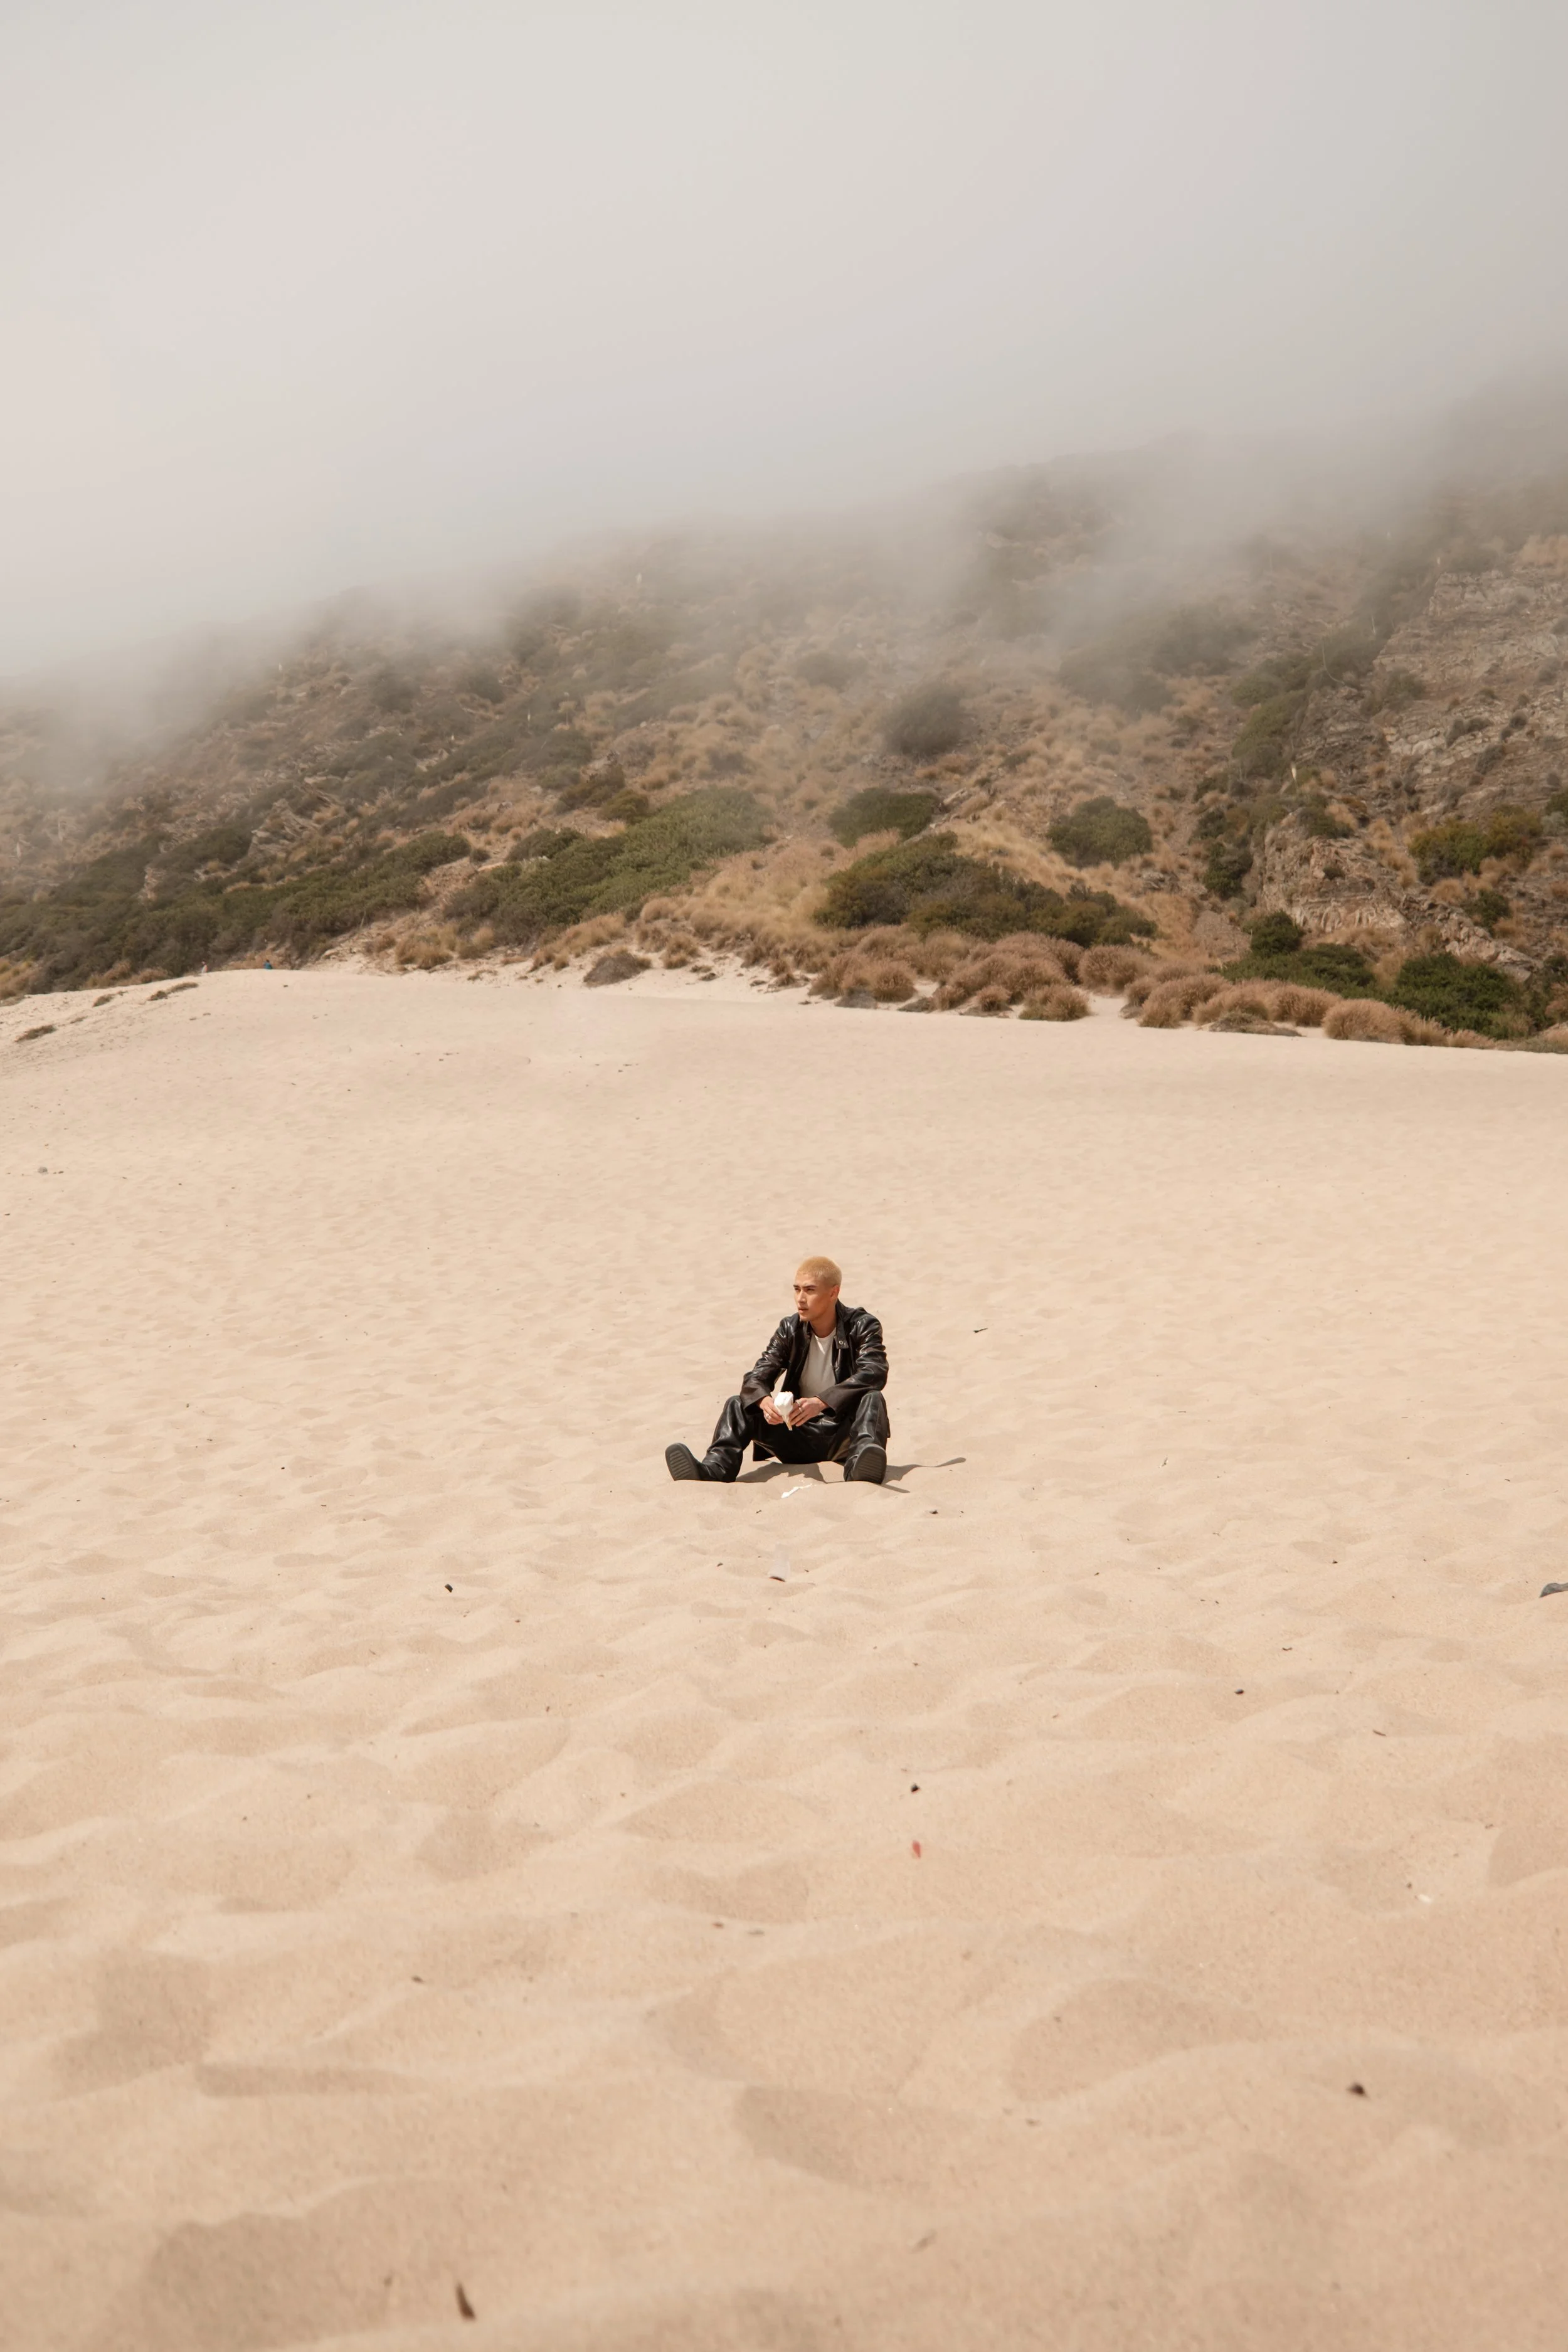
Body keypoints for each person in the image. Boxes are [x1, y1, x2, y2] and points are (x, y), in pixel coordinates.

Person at [665, 1256, 889, 1485]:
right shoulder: (790, 1329)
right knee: (738, 1404)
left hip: (845, 1437)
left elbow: (875, 1371)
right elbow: (757, 1376)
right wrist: (764, 1402)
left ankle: (859, 1470)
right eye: (797, 1289)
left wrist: (821, 1402)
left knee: (873, 1398)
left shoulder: (862, 1325)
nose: (801, 1299)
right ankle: (715, 1469)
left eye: (810, 1290)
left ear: (833, 1293)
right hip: (797, 1433)